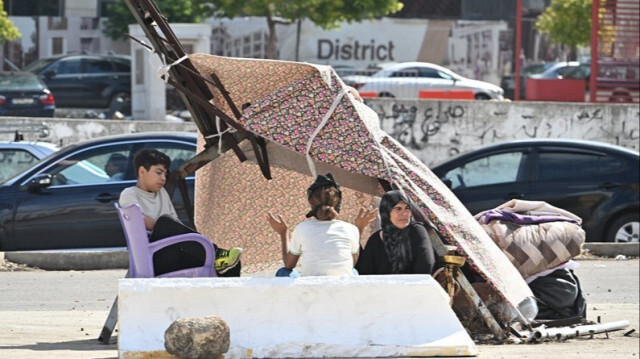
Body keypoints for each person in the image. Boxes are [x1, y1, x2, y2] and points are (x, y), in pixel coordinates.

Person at [119, 148, 242, 277]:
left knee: (232, 265)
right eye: (159, 172)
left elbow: (175, 228)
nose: (163, 178)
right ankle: (216, 253)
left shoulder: (162, 193)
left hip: (173, 252)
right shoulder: (129, 194)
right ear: (142, 171)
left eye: (165, 174)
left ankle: (226, 291)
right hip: (153, 256)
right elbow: (140, 221)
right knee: (164, 223)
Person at [267, 173, 374, 277]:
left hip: (311, 287)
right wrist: (359, 228)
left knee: (283, 272)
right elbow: (352, 264)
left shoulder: (302, 228)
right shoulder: (351, 229)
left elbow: (289, 265)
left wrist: (283, 233)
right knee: (354, 271)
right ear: (338, 203)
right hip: (341, 286)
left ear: (311, 204)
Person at [356, 190, 436, 275]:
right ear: (386, 212)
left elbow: (425, 266)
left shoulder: (416, 231)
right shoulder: (376, 239)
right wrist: (358, 229)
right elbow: (364, 271)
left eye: (407, 208)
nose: (404, 213)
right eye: (398, 209)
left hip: (412, 287)